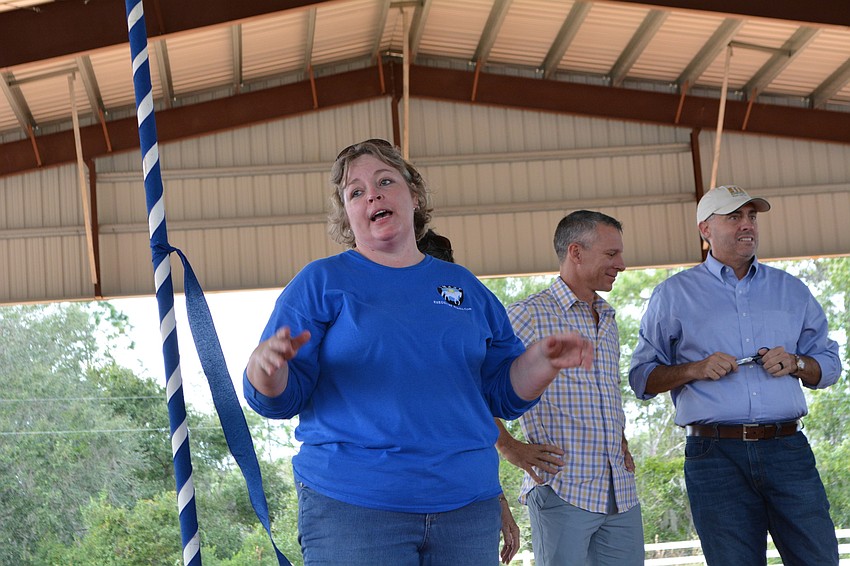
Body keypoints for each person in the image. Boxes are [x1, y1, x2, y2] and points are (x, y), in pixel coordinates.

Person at [244, 139, 594, 565]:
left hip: (467, 508)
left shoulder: (465, 287)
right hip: (355, 509)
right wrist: (265, 370)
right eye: (355, 192)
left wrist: (542, 361)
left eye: (384, 181)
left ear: (414, 197)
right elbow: (282, 397)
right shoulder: (320, 282)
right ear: (348, 215)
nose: (371, 194)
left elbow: (501, 393)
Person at [629, 185, 842, 566]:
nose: (747, 225)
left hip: (788, 450)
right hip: (714, 456)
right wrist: (695, 369)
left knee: (818, 559)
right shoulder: (673, 295)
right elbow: (641, 379)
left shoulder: (792, 290)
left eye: (752, 217)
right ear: (705, 230)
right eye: (734, 217)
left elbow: (829, 366)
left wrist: (796, 363)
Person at [496, 210, 644, 565]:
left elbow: (605, 393)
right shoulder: (526, 316)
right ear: (575, 252)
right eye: (611, 254)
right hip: (562, 489)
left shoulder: (607, 319)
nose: (621, 264)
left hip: (619, 491)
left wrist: (618, 436)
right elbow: (473, 390)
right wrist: (511, 448)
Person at [416, 227, 520, 565]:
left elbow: (475, 423)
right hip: (383, 503)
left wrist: (499, 502)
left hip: (463, 502)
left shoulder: (463, 337)